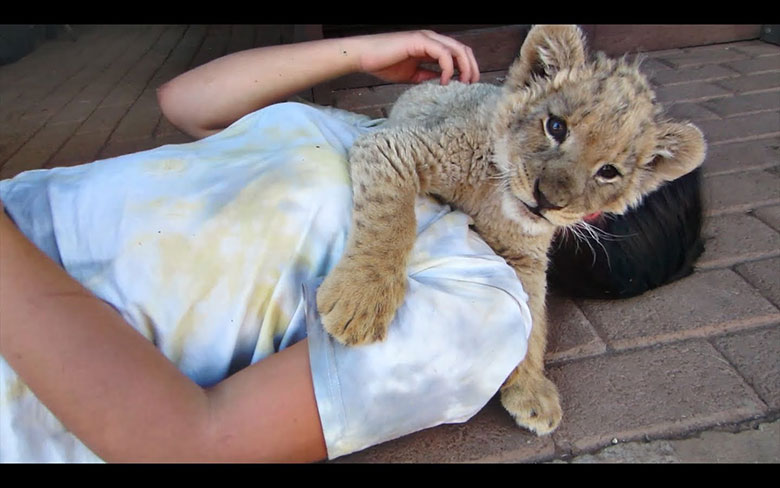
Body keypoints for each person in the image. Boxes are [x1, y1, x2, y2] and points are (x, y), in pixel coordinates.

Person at [0, 30, 531, 462]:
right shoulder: (379, 137)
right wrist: (359, 53)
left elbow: (192, 443)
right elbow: (184, 101)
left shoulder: (477, 299)